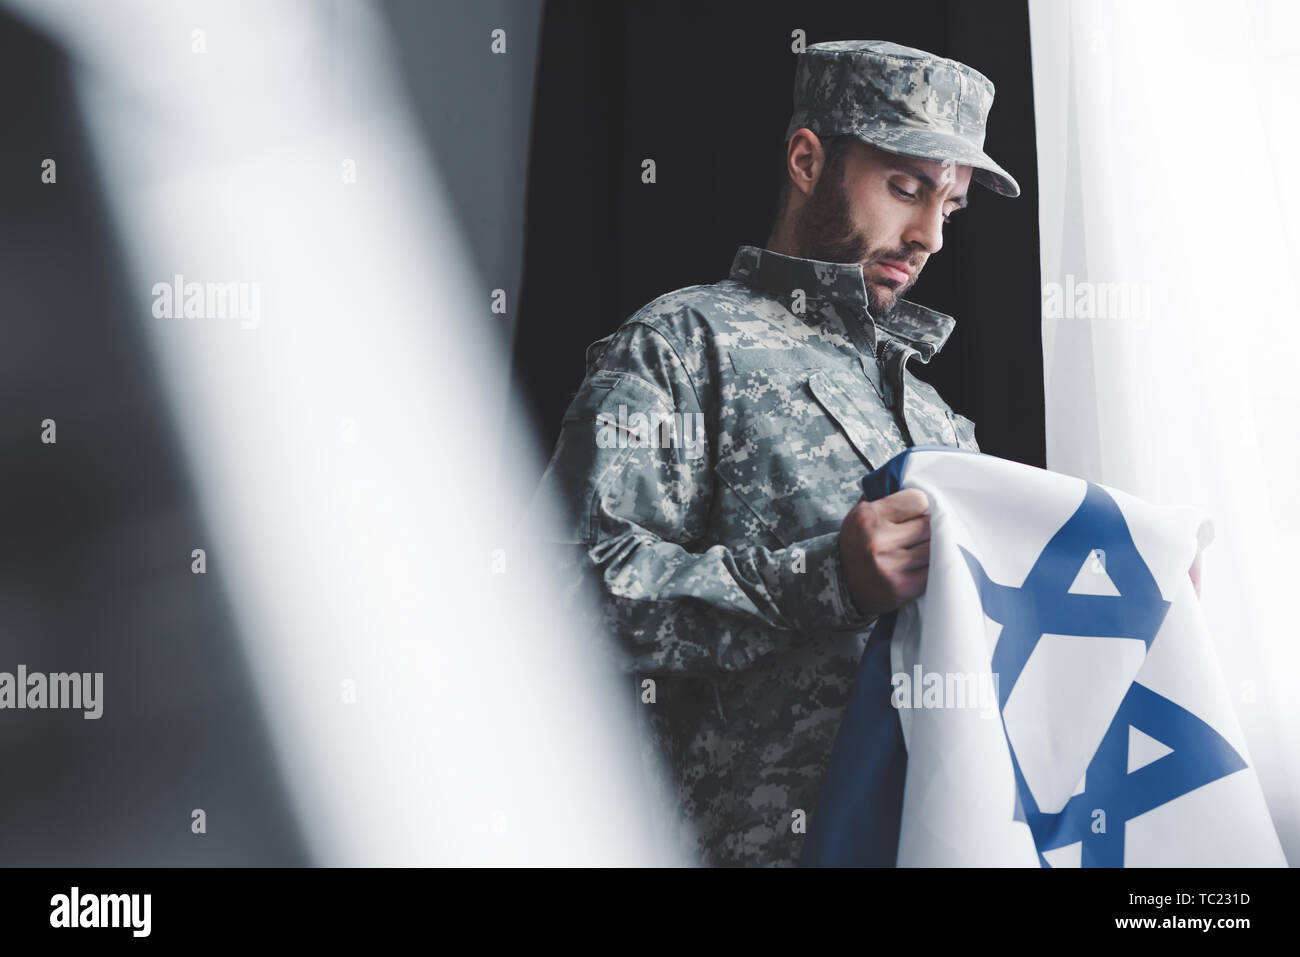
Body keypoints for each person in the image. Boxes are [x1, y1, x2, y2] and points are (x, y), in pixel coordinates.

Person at [531, 39, 1020, 866]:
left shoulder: (943, 425)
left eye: (952, 205)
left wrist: (1117, 594)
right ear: (806, 159)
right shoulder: (683, 346)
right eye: (906, 187)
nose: (930, 233)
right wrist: (829, 579)